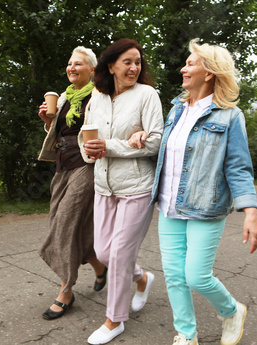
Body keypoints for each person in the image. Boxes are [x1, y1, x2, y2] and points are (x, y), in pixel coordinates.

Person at [131, 38, 257, 345]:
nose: (183, 68)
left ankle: (231, 310)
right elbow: (166, 153)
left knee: (196, 277)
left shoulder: (230, 116)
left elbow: (239, 168)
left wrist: (250, 213)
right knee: (175, 278)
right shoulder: (176, 110)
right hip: (169, 206)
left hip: (205, 208)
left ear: (210, 72)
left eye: (190, 63)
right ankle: (186, 335)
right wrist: (140, 135)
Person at [82, 38, 164, 344]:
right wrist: (90, 150)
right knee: (104, 252)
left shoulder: (147, 95)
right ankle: (142, 278)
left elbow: (156, 140)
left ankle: (114, 320)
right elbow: (85, 136)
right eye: (127, 61)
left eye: (138, 62)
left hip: (138, 188)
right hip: (103, 186)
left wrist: (111, 147)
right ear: (111, 65)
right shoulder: (97, 95)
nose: (134, 67)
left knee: (117, 255)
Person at [37, 46, 107, 321]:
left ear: (92, 70)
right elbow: (59, 131)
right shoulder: (65, 96)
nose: (71, 67)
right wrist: (47, 121)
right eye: (69, 63)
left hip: (85, 165)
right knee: (64, 220)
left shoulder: (99, 95)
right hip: (62, 164)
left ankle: (66, 290)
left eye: (78, 64)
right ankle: (99, 266)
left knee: (64, 223)